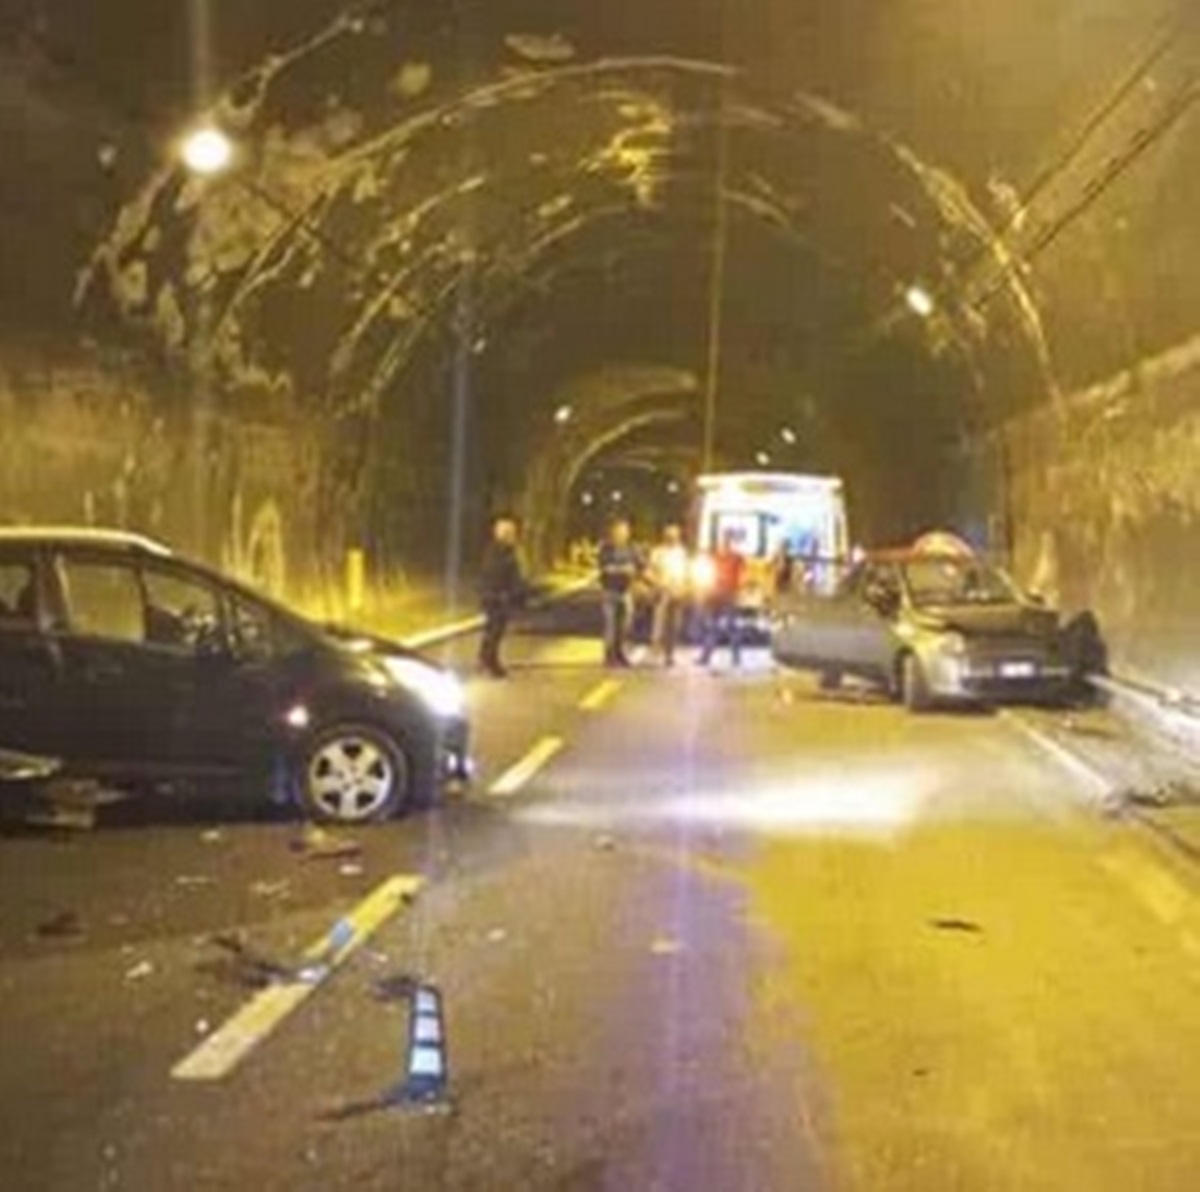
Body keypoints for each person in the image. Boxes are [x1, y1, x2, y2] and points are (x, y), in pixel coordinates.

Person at [477, 515, 525, 678]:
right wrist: (502, 593)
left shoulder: (505, 551)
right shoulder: (498, 552)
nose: (514, 536)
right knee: (495, 630)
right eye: (511, 533)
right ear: (504, 534)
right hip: (495, 597)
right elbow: (496, 575)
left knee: (494, 629)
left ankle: (485, 658)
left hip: (499, 596)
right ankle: (490, 662)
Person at [698, 531, 747, 667]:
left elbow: (743, 574)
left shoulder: (736, 557)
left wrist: (739, 589)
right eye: (724, 540)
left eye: (727, 540)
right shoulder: (718, 556)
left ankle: (735, 657)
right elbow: (710, 572)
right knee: (714, 626)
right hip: (717, 594)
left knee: (730, 626)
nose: (725, 543)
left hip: (728, 593)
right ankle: (706, 656)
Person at [597, 518, 641, 667]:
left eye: (625, 531)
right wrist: (622, 569)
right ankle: (609, 654)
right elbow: (605, 567)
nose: (623, 534)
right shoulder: (606, 548)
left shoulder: (632, 548)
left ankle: (620, 652)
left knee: (625, 625)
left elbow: (639, 565)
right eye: (620, 531)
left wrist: (636, 572)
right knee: (610, 624)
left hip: (626, 591)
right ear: (613, 532)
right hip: (610, 591)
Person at [646, 523, 690, 666]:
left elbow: (685, 572)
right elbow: (649, 571)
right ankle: (656, 648)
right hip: (662, 591)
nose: (673, 538)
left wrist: (684, 587)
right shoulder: (658, 552)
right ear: (665, 536)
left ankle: (669, 653)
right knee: (660, 622)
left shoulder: (681, 553)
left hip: (677, 592)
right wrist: (656, 583)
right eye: (670, 535)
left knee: (675, 624)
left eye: (675, 535)